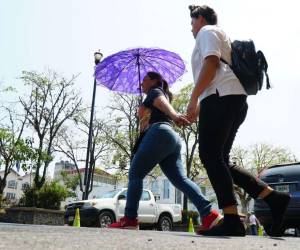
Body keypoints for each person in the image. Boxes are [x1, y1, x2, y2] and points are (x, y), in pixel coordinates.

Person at [185, 5, 290, 236]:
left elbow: (211, 63)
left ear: (200, 19)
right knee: (221, 159)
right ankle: (273, 197)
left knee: (210, 155)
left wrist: (193, 100)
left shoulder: (207, 31)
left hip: (222, 98)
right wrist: (199, 105)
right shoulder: (217, 35)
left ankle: (232, 218)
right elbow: (217, 75)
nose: (190, 28)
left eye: (191, 22)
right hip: (230, 98)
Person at [109, 71, 222, 232]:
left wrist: (175, 115)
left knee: (135, 174)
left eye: (144, 80)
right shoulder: (155, 96)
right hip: (170, 137)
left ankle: (130, 219)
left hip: (159, 132)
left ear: (154, 81)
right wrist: (144, 117)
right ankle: (209, 214)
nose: (141, 83)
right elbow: (153, 114)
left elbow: (161, 102)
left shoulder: (155, 92)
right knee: (180, 180)